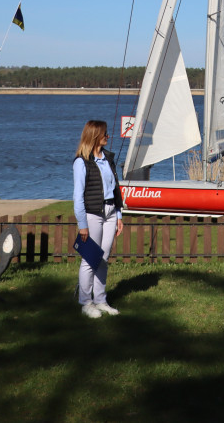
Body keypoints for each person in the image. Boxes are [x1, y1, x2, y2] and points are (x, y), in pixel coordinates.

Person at [72, 119, 125, 318]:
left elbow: (115, 189)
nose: (108, 136)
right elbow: (78, 196)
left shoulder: (108, 159)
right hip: (92, 214)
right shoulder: (81, 162)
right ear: (95, 136)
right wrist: (82, 225)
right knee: (90, 259)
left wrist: (118, 215)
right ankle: (86, 303)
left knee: (103, 259)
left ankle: (101, 300)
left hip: (111, 213)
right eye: (104, 133)